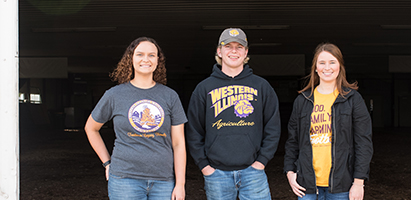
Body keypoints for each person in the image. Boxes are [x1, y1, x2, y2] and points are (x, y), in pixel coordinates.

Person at [84, 37, 187, 200]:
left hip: (163, 181)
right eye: (140, 54)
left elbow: (179, 143)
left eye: (151, 55)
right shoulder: (114, 95)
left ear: (158, 61)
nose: (146, 59)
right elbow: (91, 128)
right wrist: (106, 162)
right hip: (125, 180)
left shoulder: (170, 96)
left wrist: (180, 184)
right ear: (131, 59)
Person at [185, 28, 281, 200]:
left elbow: (273, 127)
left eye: (239, 47)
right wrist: (205, 166)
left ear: (246, 52)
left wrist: (261, 162)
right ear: (219, 51)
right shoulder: (204, 88)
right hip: (217, 174)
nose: (234, 51)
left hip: (253, 173)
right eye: (228, 46)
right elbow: (194, 130)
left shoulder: (261, 86)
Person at [283, 43, 373, 200]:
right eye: (322, 63)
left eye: (332, 62)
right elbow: (293, 141)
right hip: (307, 185)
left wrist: (359, 182)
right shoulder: (302, 100)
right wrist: (290, 172)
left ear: (340, 66)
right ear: (316, 68)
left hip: (342, 185)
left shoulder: (352, 99)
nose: (327, 68)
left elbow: (363, 143)